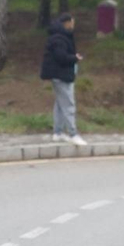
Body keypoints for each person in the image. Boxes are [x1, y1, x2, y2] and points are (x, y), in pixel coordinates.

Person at [39, 13, 85, 146]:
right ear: (67, 23)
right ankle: (73, 134)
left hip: (62, 74)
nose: (73, 25)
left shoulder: (60, 36)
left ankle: (58, 133)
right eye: (72, 22)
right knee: (69, 104)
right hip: (61, 75)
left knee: (60, 104)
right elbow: (61, 57)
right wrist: (75, 58)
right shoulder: (59, 39)